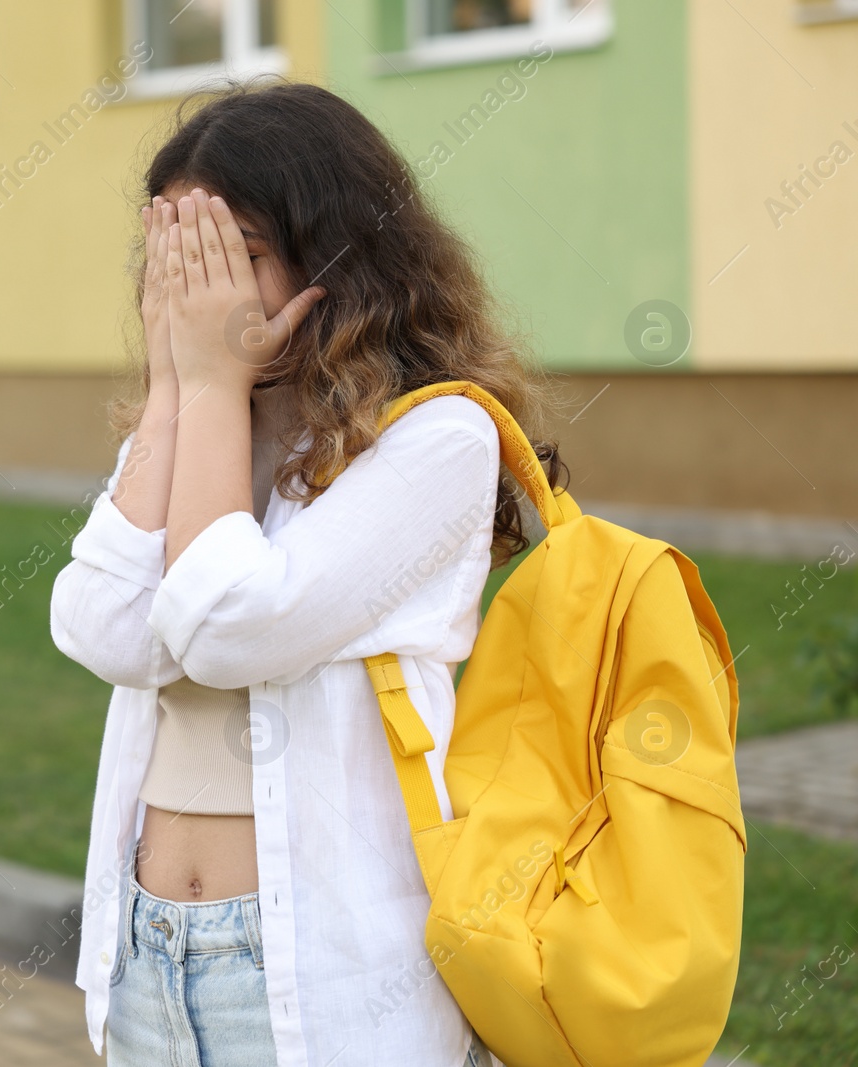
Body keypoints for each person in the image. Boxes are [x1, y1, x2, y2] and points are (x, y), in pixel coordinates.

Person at [51, 82, 564, 1066]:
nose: (198, 288)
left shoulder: (437, 438)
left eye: (231, 253)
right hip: (145, 953)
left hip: (325, 977)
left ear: (329, 252)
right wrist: (177, 394)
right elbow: (101, 627)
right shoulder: (210, 413)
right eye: (175, 256)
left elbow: (232, 627)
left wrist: (202, 383)